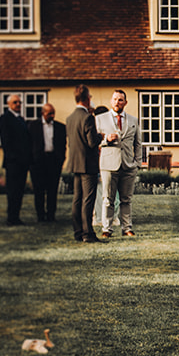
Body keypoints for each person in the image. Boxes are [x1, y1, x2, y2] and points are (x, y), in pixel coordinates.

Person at [95, 89, 144, 239]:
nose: (117, 102)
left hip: (128, 165)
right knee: (107, 199)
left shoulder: (133, 120)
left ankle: (127, 228)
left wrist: (137, 163)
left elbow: (138, 144)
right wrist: (106, 140)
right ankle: (106, 229)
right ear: (111, 101)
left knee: (126, 199)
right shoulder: (100, 119)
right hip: (109, 165)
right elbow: (93, 142)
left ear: (125, 102)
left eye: (120, 100)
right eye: (115, 99)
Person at [65, 86, 101, 243]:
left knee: (77, 198)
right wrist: (101, 136)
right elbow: (92, 142)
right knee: (88, 199)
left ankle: (78, 232)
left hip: (75, 162)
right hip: (88, 163)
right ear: (87, 99)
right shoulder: (88, 118)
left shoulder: (70, 118)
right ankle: (88, 233)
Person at [29, 102, 66, 223]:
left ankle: (51, 215)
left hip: (53, 161)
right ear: (42, 113)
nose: (52, 115)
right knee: (38, 190)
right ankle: (40, 215)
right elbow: (28, 145)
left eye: (53, 113)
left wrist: (61, 160)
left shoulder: (60, 127)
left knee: (52, 190)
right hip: (38, 162)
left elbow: (63, 146)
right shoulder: (33, 126)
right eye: (49, 113)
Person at [0, 94, 32, 226]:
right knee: (12, 190)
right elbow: (6, 142)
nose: (18, 104)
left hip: (22, 162)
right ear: (9, 104)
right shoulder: (5, 119)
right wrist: (14, 158)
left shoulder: (21, 119)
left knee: (19, 190)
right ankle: (11, 217)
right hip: (13, 162)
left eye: (19, 102)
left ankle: (16, 216)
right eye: (15, 102)